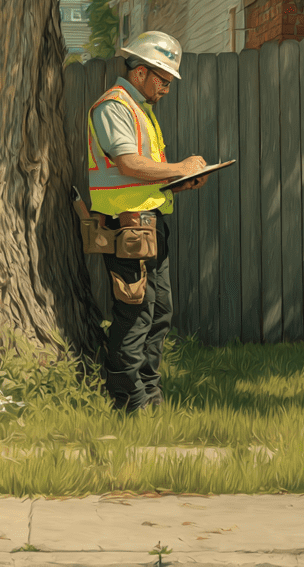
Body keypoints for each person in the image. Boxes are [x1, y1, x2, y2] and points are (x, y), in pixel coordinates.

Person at [86, 31, 207, 413]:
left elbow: (143, 175)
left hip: (150, 224)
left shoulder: (140, 109)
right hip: (129, 228)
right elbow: (128, 164)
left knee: (159, 312)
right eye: (164, 80)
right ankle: (128, 402)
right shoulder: (114, 106)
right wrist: (180, 168)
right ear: (140, 72)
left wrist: (180, 182)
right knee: (136, 314)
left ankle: (151, 398)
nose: (167, 89)